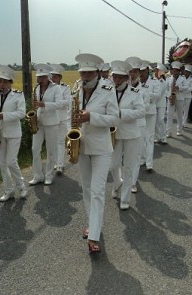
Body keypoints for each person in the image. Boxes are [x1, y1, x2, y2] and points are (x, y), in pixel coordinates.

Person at [73, 53, 119, 253]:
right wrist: (70, 131)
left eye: (89, 73)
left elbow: (114, 118)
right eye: (83, 73)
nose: (85, 77)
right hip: (82, 145)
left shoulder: (108, 90)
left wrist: (91, 117)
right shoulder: (76, 89)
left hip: (101, 148)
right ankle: (93, 224)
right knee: (86, 189)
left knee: (98, 190)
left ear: (97, 73)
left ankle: (94, 237)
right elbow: (71, 114)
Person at [109, 60, 145, 210]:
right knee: (112, 164)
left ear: (126, 78)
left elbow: (141, 111)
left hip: (131, 134)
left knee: (129, 167)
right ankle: (117, 182)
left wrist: (121, 113)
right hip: (113, 134)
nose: (116, 80)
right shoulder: (107, 91)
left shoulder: (135, 93)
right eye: (114, 77)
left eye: (119, 77)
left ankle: (125, 198)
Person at [0, 65, 28, 202]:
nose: (1, 84)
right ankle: (8, 191)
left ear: (10, 82)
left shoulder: (18, 95)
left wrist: (3, 115)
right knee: (2, 164)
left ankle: (21, 187)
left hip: (14, 133)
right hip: (0, 133)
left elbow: (21, 113)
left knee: (11, 161)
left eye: (4, 81)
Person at [29, 63, 65, 186]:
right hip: (38, 122)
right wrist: (35, 108)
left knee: (51, 151)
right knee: (35, 149)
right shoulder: (37, 88)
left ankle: (49, 175)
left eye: (43, 77)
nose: (40, 79)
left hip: (51, 122)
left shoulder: (56, 88)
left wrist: (44, 105)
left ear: (48, 76)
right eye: (39, 77)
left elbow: (60, 104)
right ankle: (38, 175)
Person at [125, 56, 144, 193]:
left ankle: (132, 182)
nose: (132, 75)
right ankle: (123, 180)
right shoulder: (120, 87)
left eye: (135, 72)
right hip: (122, 125)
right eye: (130, 72)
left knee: (135, 155)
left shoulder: (144, 88)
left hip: (139, 124)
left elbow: (145, 107)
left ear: (139, 73)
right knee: (120, 156)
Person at [49, 64, 72, 175]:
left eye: (55, 77)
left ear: (60, 78)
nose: (53, 79)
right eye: (52, 76)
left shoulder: (65, 88)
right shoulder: (48, 88)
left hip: (62, 118)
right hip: (50, 119)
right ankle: (55, 162)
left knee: (60, 142)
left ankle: (60, 165)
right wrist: (56, 104)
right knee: (52, 142)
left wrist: (54, 104)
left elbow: (68, 101)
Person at [138, 60, 160, 172]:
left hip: (150, 112)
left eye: (143, 71)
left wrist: (146, 94)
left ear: (147, 70)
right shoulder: (137, 82)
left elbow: (157, 96)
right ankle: (142, 159)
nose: (141, 73)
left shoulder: (154, 82)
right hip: (140, 113)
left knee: (149, 138)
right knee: (141, 137)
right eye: (139, 71)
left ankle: (149, 163)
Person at [166, 61, 182, 138]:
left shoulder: (183, 79)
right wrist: (168, 96)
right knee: (169, 115)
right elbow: (165, 89)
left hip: (179, 98)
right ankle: (168, 132)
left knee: (179, 115)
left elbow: (186, 88)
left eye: (176, 70)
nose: (175, 72)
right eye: (173, 70)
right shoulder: (168, 79)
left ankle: (179, 130)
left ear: (179, 72)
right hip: (171, 98)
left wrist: (180, 88)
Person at [154, 63, 169, 144]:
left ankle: (163, 137)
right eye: (155, 70)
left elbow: (159, 92)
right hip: (154, 103)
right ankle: (157, 137)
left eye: (157, 70)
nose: (155, 72)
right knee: (155, 121)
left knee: (161, 120)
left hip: (161, 103)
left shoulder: (162, 81)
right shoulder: (153, 80)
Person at [179, 64, 192, 134]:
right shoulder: (181, 78)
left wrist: (185, 89)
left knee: (186, 110)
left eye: (188, 72)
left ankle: (184, 123)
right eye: (185, 71)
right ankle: (180, 123)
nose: (186, 73)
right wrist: (183, 89)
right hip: (181, 95)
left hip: (188, 96)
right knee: (181, 109)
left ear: (190, 73)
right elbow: (180, 86)